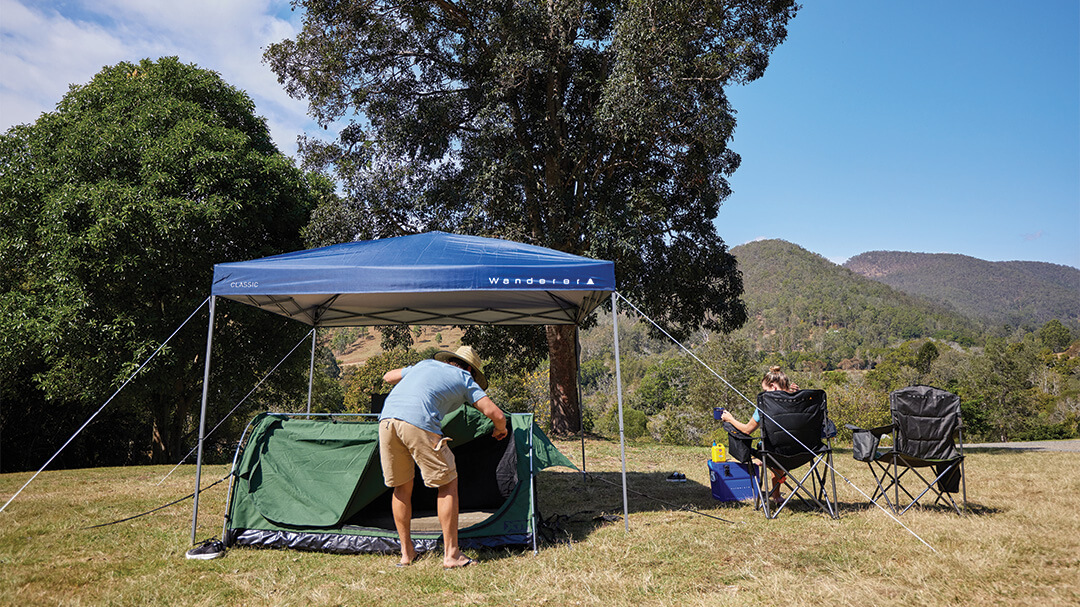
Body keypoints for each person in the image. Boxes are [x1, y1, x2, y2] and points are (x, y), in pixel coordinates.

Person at [378, 345, 508, 569]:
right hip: (417, 422)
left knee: (401, 487)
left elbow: (388, 377)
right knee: (448, 483)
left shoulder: (425, 364)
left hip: (387, 420)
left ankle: (406, 553)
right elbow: (496, 414)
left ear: (449, 360)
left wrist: (415, 374)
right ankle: (451, 555)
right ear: (470, 369)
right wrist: (500, 429)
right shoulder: (464, 378)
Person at [719, 366, 799, 504]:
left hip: (774, 452)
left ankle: (774, 488)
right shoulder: (800, 400)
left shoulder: (765, 405)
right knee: (780, 450)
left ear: (773, 387)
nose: (764, 394)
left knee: (774, 452)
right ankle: (776, 491)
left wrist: (730, 419)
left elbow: (747, 430)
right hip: (803, 452)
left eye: (765, 390)